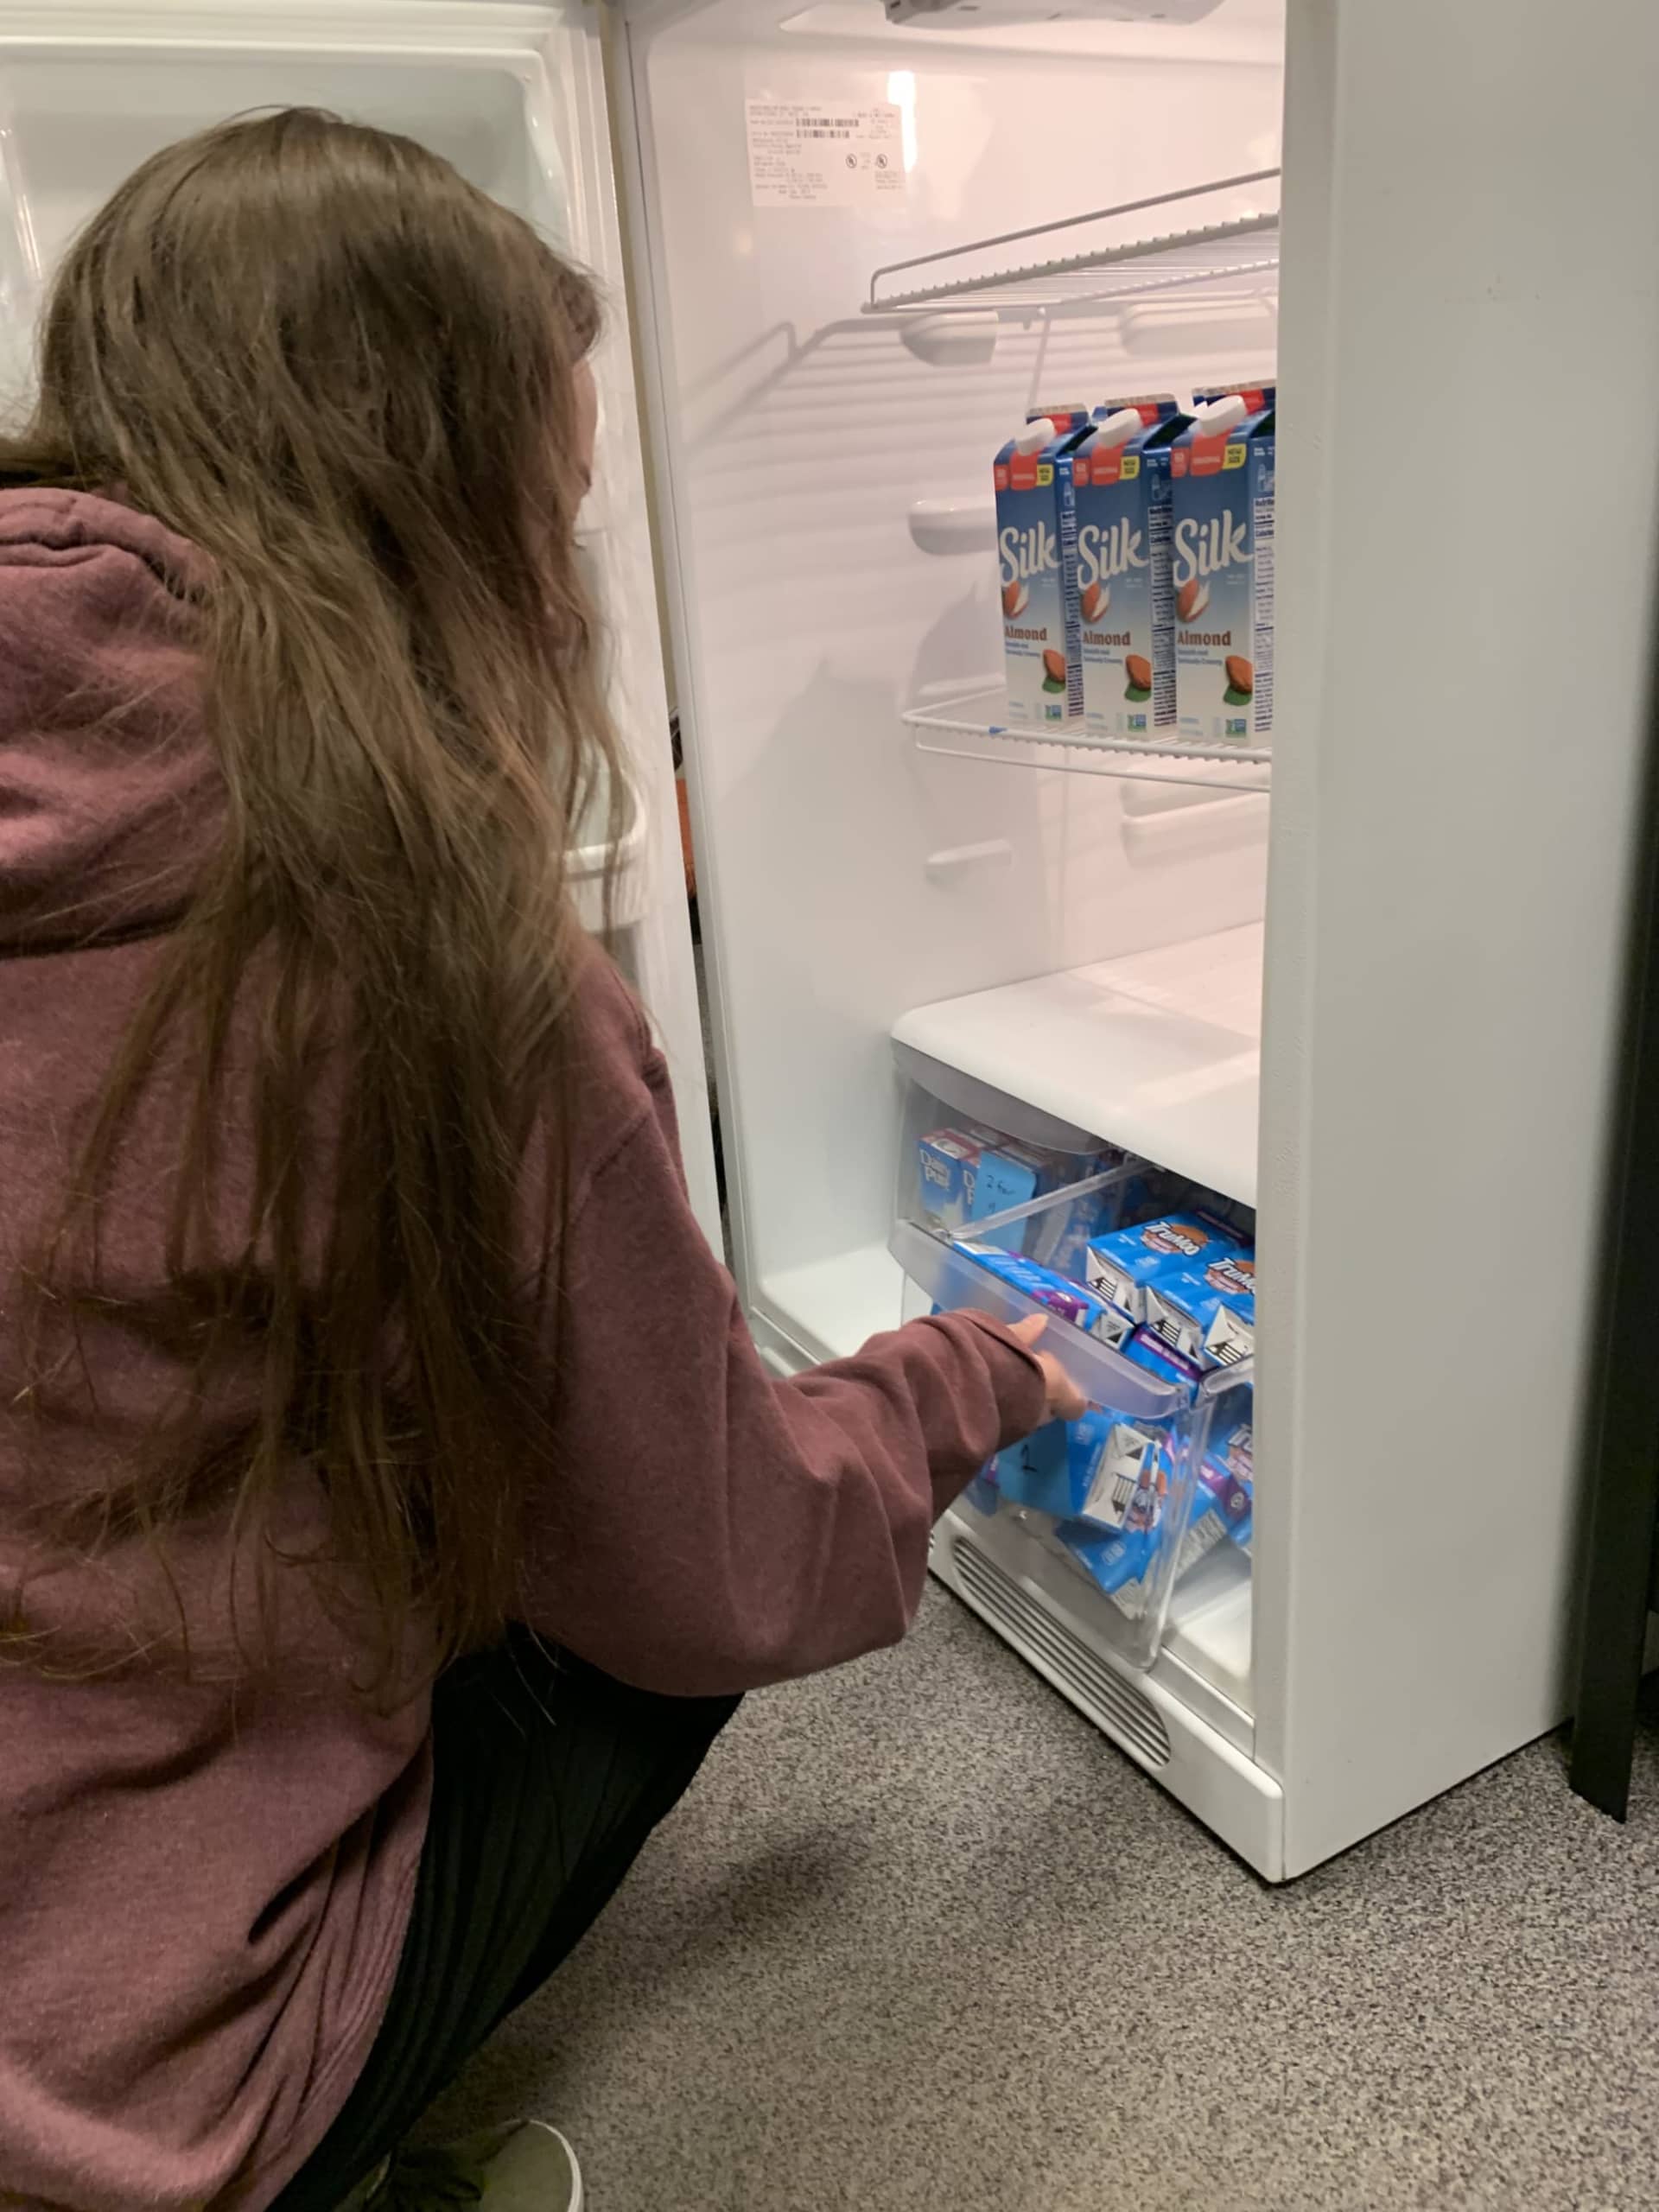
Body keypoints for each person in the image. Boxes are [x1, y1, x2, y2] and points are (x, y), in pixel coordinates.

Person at [0, 108, 1082, 2212]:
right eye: (552, 511)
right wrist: (971, 1369)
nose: (570, 579)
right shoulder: (420, 953)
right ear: (441, 517)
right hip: (118, 2082)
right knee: (642, 1630)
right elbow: (721, 1563)